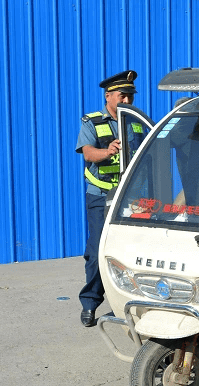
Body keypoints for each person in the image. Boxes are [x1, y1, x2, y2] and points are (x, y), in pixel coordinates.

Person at [75, 70, 141, 327]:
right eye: (123, 96)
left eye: (130, 97)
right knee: (96, 252)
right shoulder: (91, 122)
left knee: (132, 252)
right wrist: (108, 150)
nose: (127, 102)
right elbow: (89, 154)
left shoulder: (137, 121)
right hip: (101, 197)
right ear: (109, 96)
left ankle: (129, 303)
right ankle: (90, 303)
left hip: (131, 197)